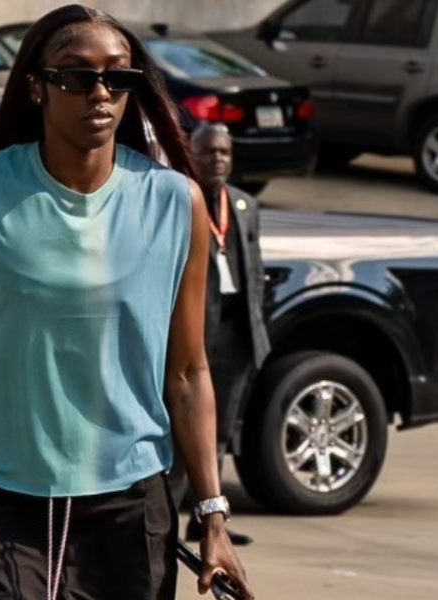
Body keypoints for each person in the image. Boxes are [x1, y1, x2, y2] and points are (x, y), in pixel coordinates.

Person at [0, 5, 254, 600]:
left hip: (129, 505)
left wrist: (213, 518)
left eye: (118, 78)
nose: (100, 93)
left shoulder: (176, 204)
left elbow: (187, 372)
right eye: (77, 76)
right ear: (37, 87)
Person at [182, 124, 271, 545]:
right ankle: (173, 511)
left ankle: (208, 522)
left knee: (221, 430)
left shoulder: (244, 204)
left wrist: (259, 327)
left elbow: (253, 268)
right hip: (197, 334)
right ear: (192, 155)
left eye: (224, 152)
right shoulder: (184, 202)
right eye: (209, 152)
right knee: (188, 425)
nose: (217, 159)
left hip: (237, 331)